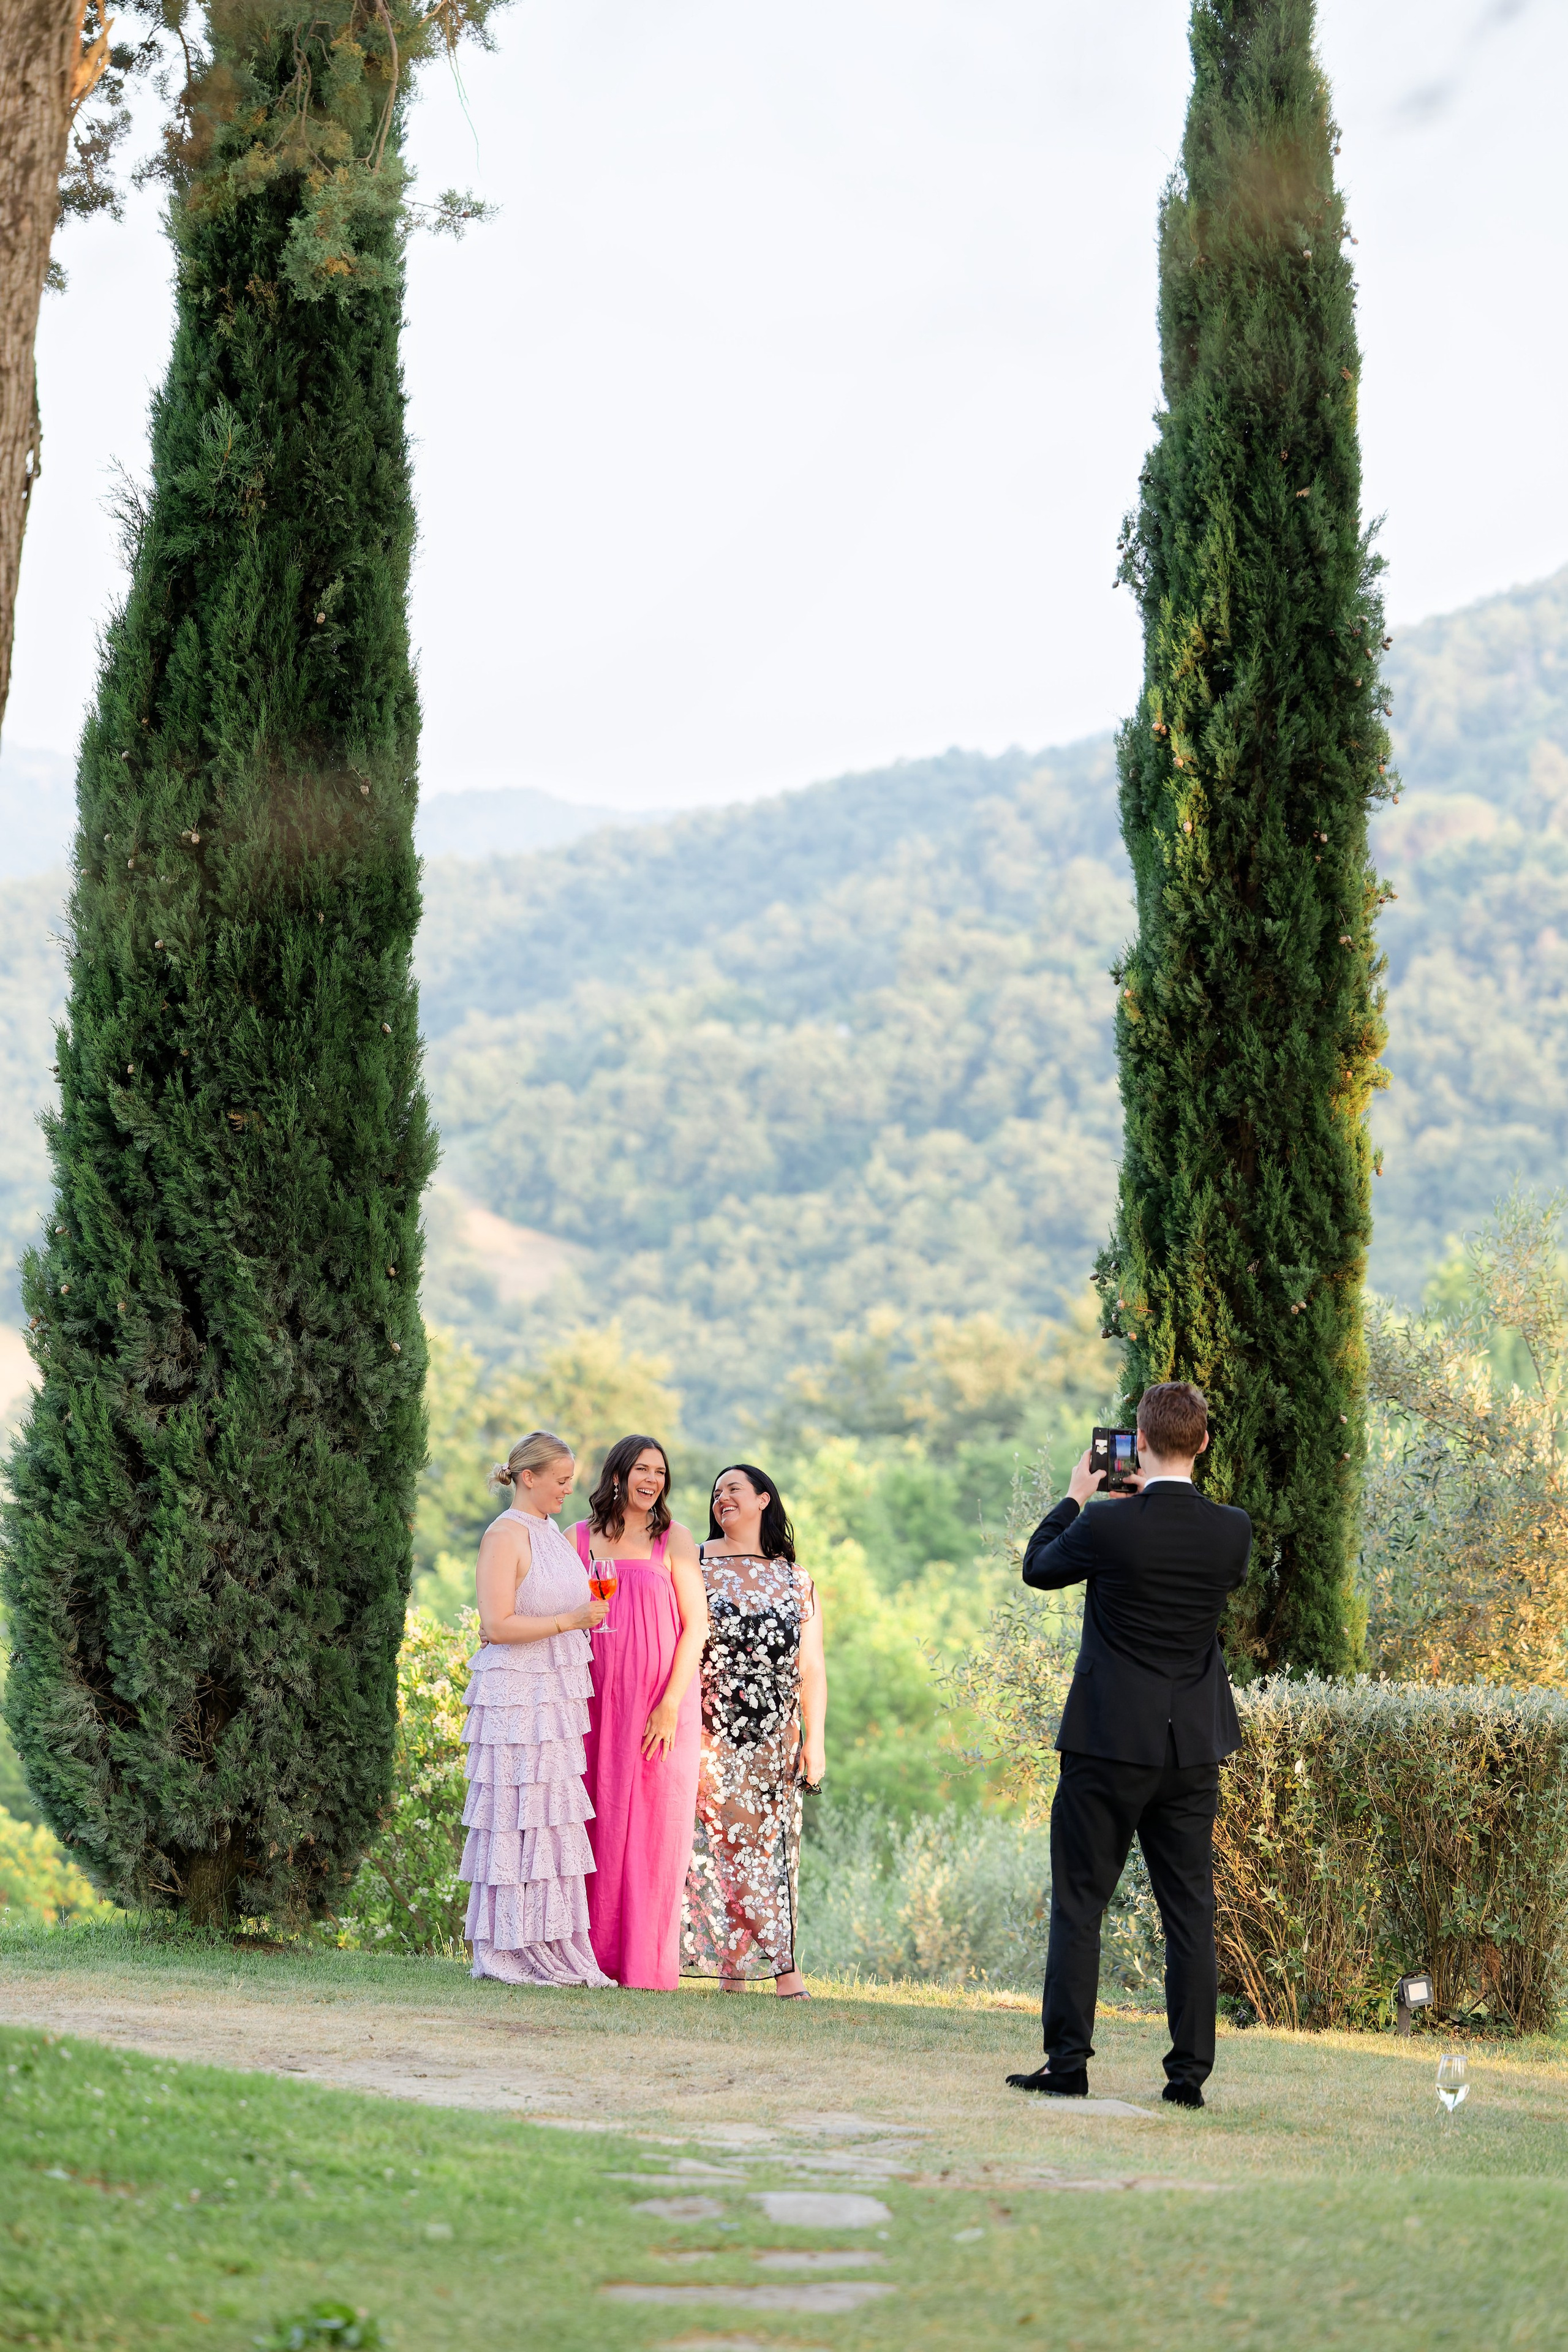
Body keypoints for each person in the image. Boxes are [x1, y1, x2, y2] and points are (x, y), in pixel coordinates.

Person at [1005, 1381, 1251, 2108]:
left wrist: (1080, 1495)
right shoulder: (1231, 1529)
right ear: (1203, 1442)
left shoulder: (1109, 1525)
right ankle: (1187, 2081)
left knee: (1081, 1905)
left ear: (1135, 1443)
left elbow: (1039, 1566)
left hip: (1108, 1741)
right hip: (1191, 1749)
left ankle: (1068, 2065)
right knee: (1190, 1915)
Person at [459, 1430, 613, 1987]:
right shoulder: (505, 1535)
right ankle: (508, 1948)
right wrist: (568, 1621)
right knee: (515, 1817)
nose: (568, 1491)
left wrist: (582, 1616)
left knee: (549, 1818)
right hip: (516, 1695)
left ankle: (550, 1943)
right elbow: (496, 1625)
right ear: (529, 1477)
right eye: (562, 1481)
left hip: (554, 1696)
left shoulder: (550, 1533)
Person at [682, 1463, 826, 1999]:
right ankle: (788, 1974)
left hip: (779, 1735)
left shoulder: (796, 1577)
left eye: (733, 1490)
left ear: (764, 1499)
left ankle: (734, 1976)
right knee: (732, 1848)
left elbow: (812, 1667)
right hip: (712, 1727)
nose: (722, 1498)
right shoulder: (693, 1561)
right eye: (716, 1492)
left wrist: (817, 1739)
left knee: (767, 1854)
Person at [574, 1433, 709, 1989]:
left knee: (654, 1829)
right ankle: (588, 1959)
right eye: (643, 1469)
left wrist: (671, 1704)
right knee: (595, 1819)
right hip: (592, 1701)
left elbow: (696, 1626)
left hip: (660, 1707)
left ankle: (646, 1966)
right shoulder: (577, 1539)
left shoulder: (674, 1539)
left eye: (660, 1471)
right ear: (617, 1475)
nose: (652, 1480)